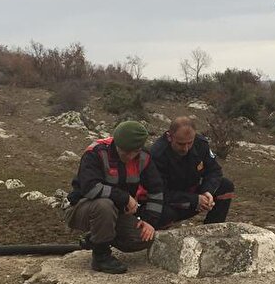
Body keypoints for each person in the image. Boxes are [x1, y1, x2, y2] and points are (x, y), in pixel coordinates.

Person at [65, 121, 164, 274]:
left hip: (115, 213)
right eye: (124, 152)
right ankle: (101, 256)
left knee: (144, 238)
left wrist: (150, 221)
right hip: (82, 208)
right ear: (116, 143)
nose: (129, 156)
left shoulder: (144, 157)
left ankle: (96, 237)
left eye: (134, 152)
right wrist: (125, 197)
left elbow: (156, 190)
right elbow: (90, 188)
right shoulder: (96, 152)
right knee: (104, 205)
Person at [149, 116, 234, 227]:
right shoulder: (157, 154)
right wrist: (194, 200)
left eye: (190, 143)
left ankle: (213, 229)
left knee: (225, 186)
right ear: (170, 137)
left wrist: (207, 191)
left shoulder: (200, 144)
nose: (186, 148)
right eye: (181, 144)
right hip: (171, 201)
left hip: (193, 194)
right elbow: (159, 192)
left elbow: (214, 170)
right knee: (162, 214)